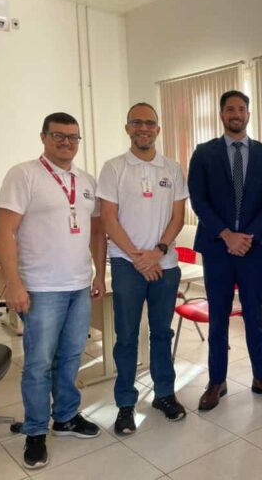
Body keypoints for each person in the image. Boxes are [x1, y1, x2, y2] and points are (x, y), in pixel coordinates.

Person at [0, 112, 106, 469]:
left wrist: (98, 274)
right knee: (38, 364)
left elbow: (96, 231)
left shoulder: (86, 180)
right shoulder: (23, 174)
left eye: (73, 137)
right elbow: (4, 231)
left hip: (79, 285)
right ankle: (35, 431)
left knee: (71, 356)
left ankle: (66, 417)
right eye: (58, 135)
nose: (66, 142)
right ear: (43, 137)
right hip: (41, 287)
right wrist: (13, 283)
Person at [189, 90, 262, 410]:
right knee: (218, 317)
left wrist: (248, 236)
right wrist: (226, 234)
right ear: (221, 114)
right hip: (217, 248)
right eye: (230, 109)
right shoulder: (203, 153)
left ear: (248, 114)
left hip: (253, 249)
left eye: (241, 109)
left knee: (254, 316)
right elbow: (198, 198)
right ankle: (217, 380)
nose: (236, 114)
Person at [96, 102, 189, 435]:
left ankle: (164, 394)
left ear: (158, 129)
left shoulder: (172, 168)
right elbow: (108, 220)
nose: (144, 128)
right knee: (126, 337)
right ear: (128, 128)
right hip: (127, 265)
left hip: (166, 265)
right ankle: (125, 404)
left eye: (150, 123)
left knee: (162, 333)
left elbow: (178, 217)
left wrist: (158, 252)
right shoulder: (113, 168)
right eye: (137, 122)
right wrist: (139, 258)